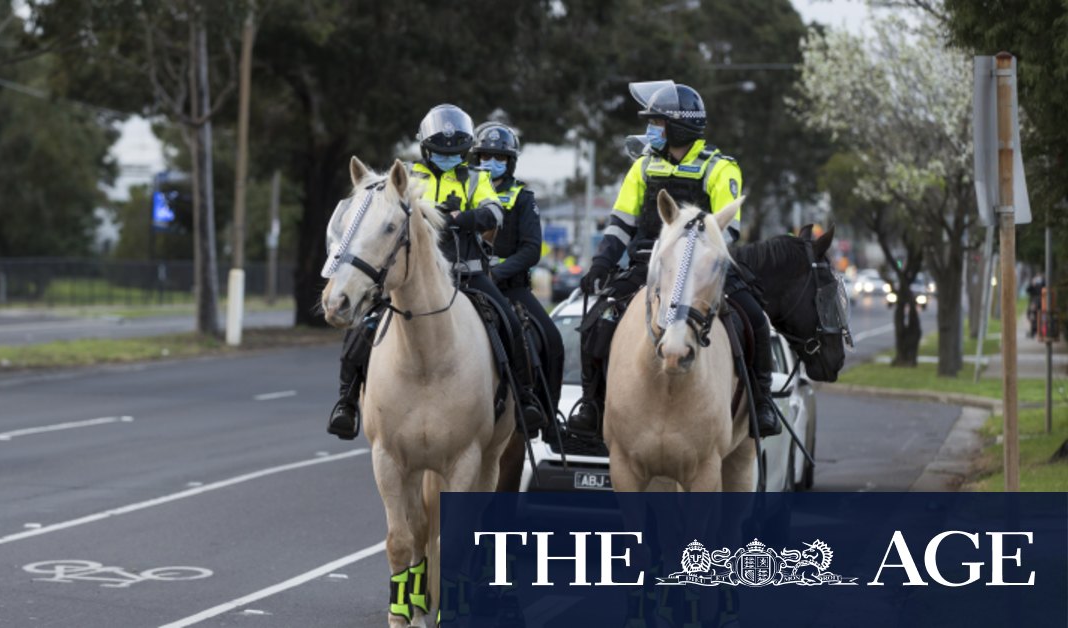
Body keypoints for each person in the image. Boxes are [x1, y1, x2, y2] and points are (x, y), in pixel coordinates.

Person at [565, 80, 781, 438]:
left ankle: (762, 403)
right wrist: (602, 264)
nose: (650, 130)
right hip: (647, 266)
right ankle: (592, 404)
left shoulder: (720, 167)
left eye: (657, 123)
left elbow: (727, 230)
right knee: (596, 321)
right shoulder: (643, 167)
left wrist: (698, 260)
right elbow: (621, 222)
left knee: (754, 318)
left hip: (703, 268)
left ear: (679, 126)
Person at [327, 104, 545, 439]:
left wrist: (461, 218)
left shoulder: (478, 178)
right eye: (441, 153)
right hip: (415, 279)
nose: (449, 159)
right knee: (364, 325)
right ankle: (346, 402)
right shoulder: (407, 178)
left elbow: (494, 214)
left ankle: (526, 398)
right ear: (426, 150)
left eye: (456, 153)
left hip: (468, 275)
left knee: (510, 322)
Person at [470, 121, 565, 415]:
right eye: (486, 157)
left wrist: (497, 273)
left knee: (552, 339)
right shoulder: (464, 190)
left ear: (510, 163)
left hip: (511, 288)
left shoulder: (523, 198)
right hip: (465, 282)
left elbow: (531, 249)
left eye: (500, 158)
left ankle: (544, 414)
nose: (492, 163)